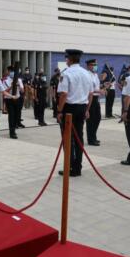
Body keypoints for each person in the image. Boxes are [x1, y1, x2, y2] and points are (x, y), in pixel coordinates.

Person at [57, 49, 93, 177]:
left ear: (70, 59)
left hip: (69, 109)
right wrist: (87, 109)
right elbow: (90, 94)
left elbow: (64, 94)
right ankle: (77, 168)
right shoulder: (86, 73)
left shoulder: (66, 73)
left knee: (68, 140)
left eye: (67, 58)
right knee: (79, 139)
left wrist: (59, 110)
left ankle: (69, 167)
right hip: (82, 108)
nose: (66, 60)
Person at [2, 66, 24, 139]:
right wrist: (11, 87)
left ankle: (14, 128)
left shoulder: (19, 80)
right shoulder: (5, 80)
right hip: (9, 99)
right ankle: (12, 132)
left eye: (13, 71)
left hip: (17, 99)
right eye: (10, 71)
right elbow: (4, 91)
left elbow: (22, 91)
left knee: (16, 115)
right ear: (8, 72)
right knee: (11, 115)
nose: (12, 73)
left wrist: (18, 85)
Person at [85, 59, 102, 146]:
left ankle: (94, 136)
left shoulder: (95, 75)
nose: (95, 66)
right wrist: (100, 91)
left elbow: (97, 86)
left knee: (97, 118)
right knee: (91, 120)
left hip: (96, 99)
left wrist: (103, 87)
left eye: (96, 65)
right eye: (93, 65)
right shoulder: (87, 75)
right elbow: (90, 89)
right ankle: (91, 139)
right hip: (90, 98)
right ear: (88, 66)